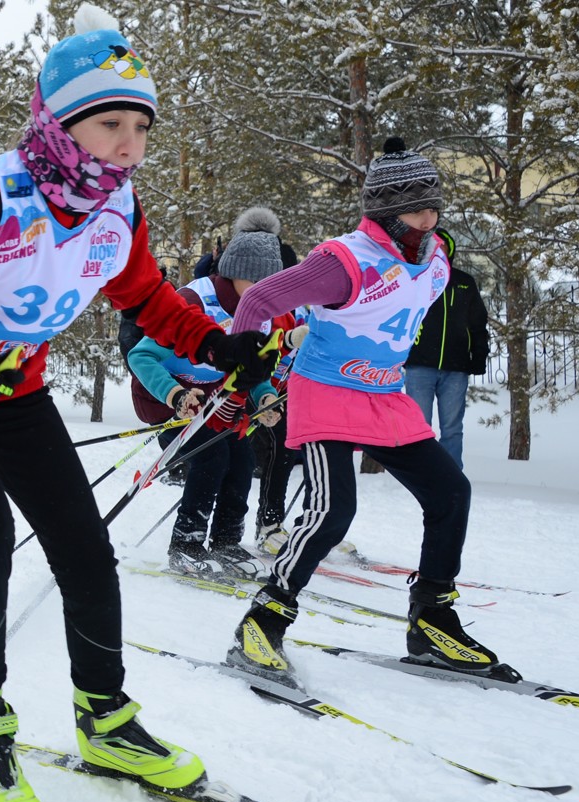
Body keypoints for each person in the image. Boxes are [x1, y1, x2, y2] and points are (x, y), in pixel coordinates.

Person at [0, 5, 271, 802]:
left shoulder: (117, 209)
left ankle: (106, 720)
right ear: (60, 121)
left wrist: (218, 345)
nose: (129, 146)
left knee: (83, 540)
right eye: (111, 125)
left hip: (12, 387)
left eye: (140, 128)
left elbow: (145, 298)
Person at [220, 136, 517, 688]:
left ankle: (432, 621)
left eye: (433, 207)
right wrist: (249, 371)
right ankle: (263, 621)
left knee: (450, 492)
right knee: (333, 513)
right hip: (327, 392)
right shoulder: (343, 261)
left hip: (384, 394)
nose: (429, 219)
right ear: (385, 210)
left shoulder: (435, 257)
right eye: (417, 209)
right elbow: (259, 300)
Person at [123, 224, 289, 579]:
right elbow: (141, 356)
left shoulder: (259, 314)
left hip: (213, 402)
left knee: (243, 458)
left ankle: (226, 542)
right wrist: (175, 395)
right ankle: (186, 544)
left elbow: (251, 371)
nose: (266, 292)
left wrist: (267, 397)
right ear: (236, 273)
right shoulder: (195, 301)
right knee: (212, 456)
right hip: (167, 398)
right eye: (259, 282)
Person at [404, 227, 489, 470]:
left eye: (442, 246)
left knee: (452, 427)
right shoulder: (414, 279)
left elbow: (478, 323)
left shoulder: (464, 282)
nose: (438, 251)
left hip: (456, 367)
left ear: (449, 250)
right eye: (432, 247)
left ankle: (451, 476)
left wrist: (479, 355)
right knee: (419, 426)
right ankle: (422, 474)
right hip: (419, 365)